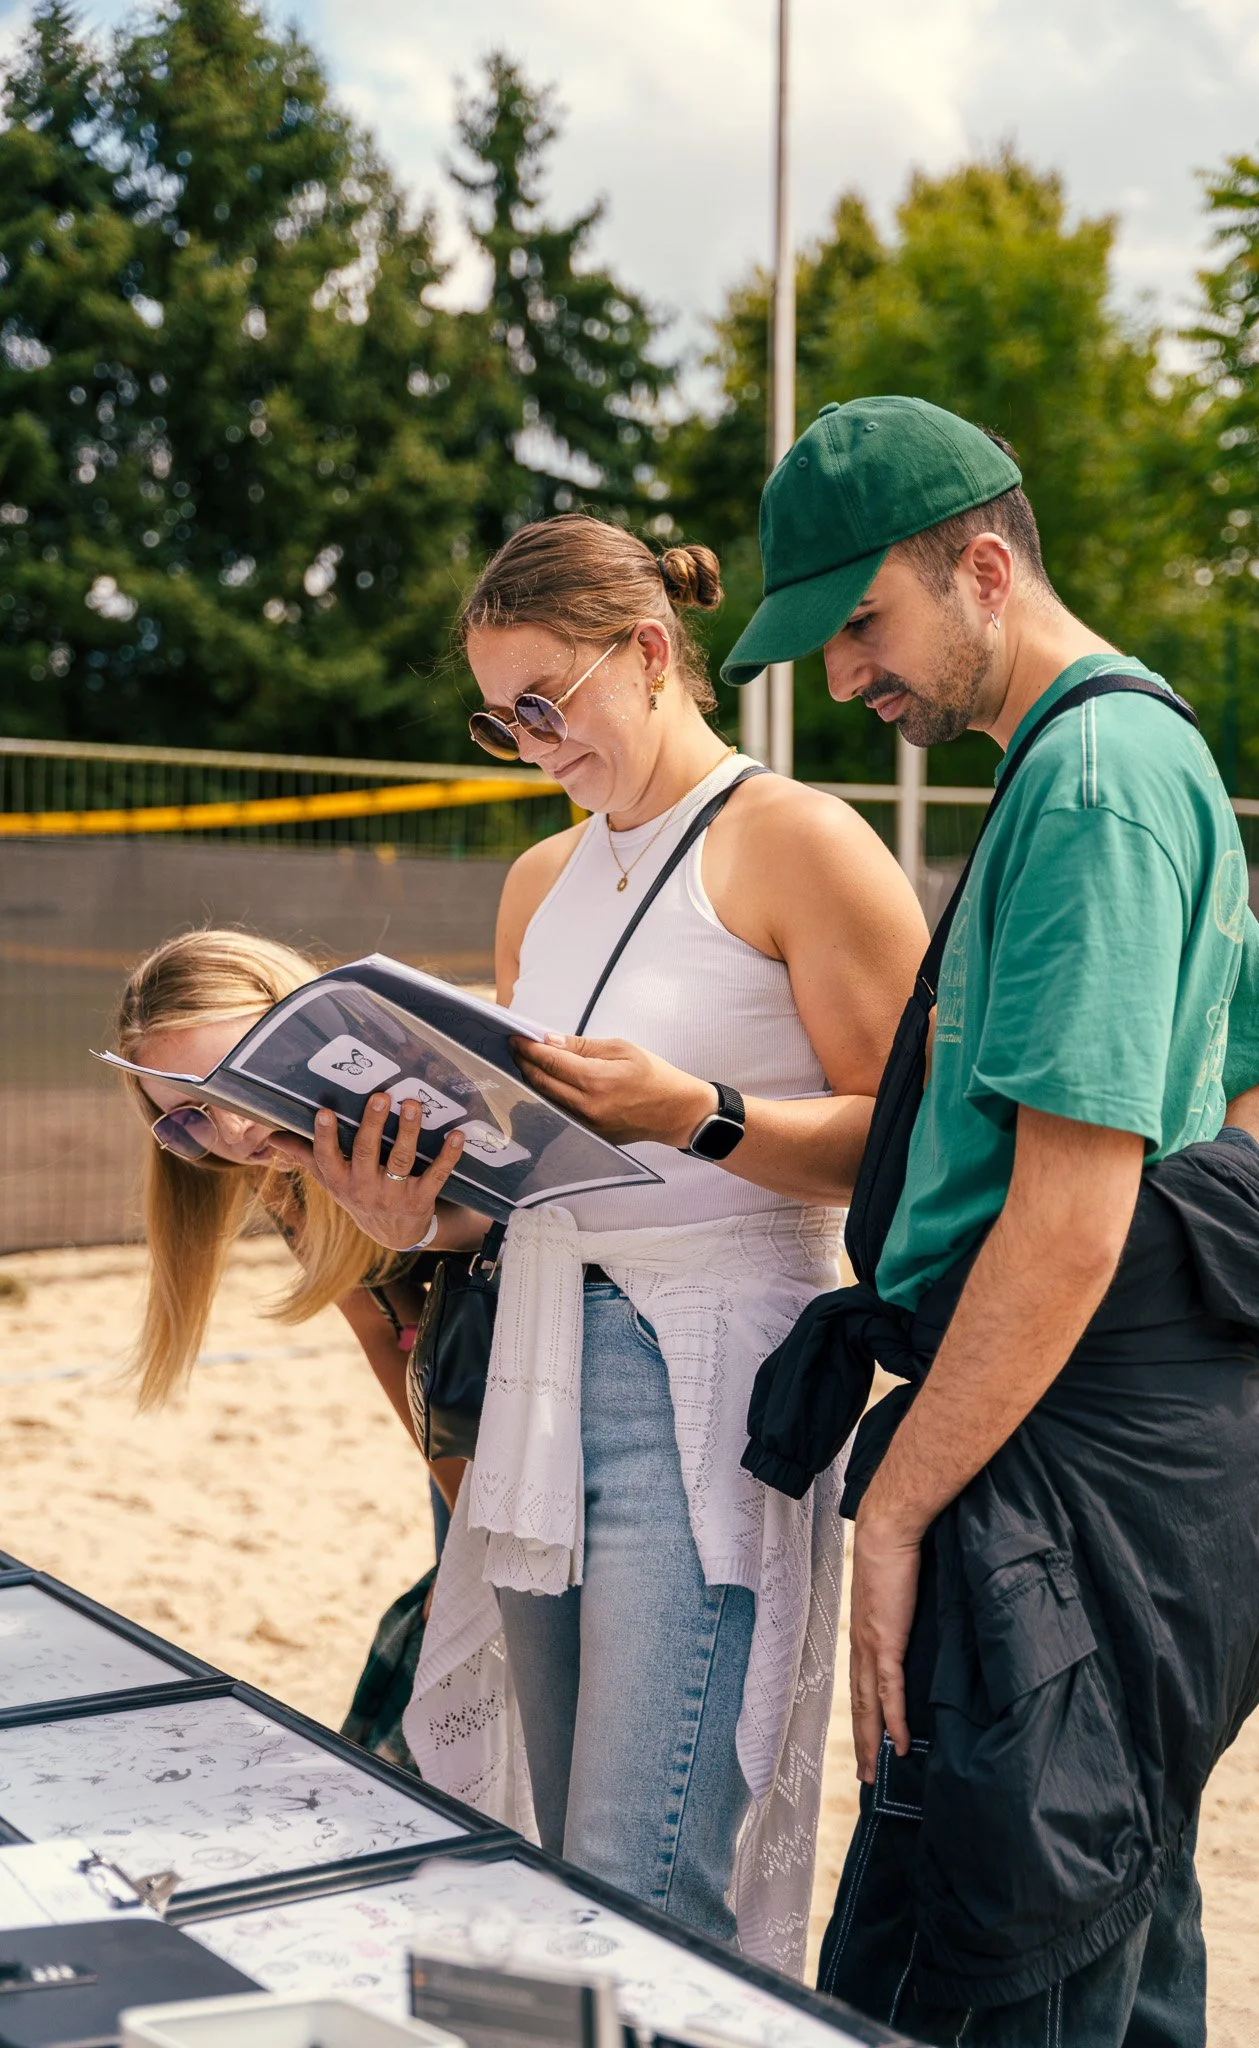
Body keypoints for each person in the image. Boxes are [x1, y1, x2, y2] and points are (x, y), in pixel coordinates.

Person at [724, 396, 1259, 2043]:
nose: (850, 677)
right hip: (1114, 1457)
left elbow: (1068, 1222)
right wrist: (1180, 1266)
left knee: (996, 1969)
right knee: (1113, 1946)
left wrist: (907, 1507)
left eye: (864, 622)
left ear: (981, 565)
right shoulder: (1124, 753)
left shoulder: (1092, 782)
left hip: (1061, 1470)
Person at [272, 514, 928, 1969]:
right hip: (538, 1364)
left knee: (646, 1868)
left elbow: (912, 1131)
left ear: (648, 655)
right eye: (500, 718)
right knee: (551, 1848)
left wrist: (699, 1113)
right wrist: (412, 1206)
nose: (529, 743)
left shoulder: (799, 841)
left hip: (708, 1374)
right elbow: (529, 1171)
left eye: (543, 706)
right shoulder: (538, 880)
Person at [109, 927, 470, 1517]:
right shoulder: (277, 1170)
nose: (233, 1132)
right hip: (456, 1406)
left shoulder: (434, 1088)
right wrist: (463, 1517)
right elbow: (386, 1329)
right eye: (187, 1120)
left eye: (241, 1082)